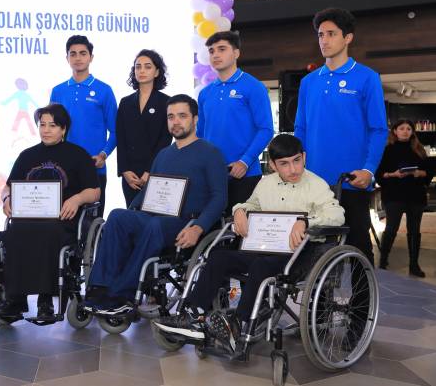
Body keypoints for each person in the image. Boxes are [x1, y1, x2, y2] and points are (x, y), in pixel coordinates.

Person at [154, 134, 345, 350]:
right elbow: (251, 204)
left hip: (299, 253)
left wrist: (306, 221)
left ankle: (237, 323)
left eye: (297, 161)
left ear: (304, 157)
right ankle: (193, 316)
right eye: (284, 164)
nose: (293, 169)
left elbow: (337, 215)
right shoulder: (266, 184)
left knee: (262, 265)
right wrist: (240, 211)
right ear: (272, 165)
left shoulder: (316, 185)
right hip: (265, 247)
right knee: (218, 257)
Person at [85, 94, 228, 313]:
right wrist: (132, 212)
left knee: (154, 225)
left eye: (182, 116)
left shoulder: (211, 153)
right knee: (117, 216)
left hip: (185, 222)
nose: (176, 122)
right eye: (171, 117)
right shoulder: (164, 155)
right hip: (157, 217)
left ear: (195, 119)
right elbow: (150, 190)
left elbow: (220, 198)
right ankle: (99, 289)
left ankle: (123, 294)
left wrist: (198, 228)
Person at [295, 7, 388, 265]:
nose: (324, 40)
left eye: (331, 34)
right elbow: (301, 129)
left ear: (348, 38)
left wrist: (368, 170)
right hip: (313, 182)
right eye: (320, 35)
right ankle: (319, 296)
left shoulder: (367, 78)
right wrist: (297, 165)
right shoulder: (308, 82)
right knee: (314, 252)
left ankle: (362, 295)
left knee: (358, 249)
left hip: (352, 181)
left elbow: (379, 129)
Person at [0, 104, 100, 320]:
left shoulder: (78, 155)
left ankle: (45, 299)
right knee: (13, 234)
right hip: (29, 218)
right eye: (42, 125)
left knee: (49, 232)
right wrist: (6, 198)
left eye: (52, 125)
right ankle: (15, 299)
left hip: (62, 219)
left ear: (64, 129)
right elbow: (8, 187)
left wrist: (77, 199)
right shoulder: (27, 155)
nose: (46, 130)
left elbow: (95, 191)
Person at [197, 31, 274, 213]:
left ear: (236, 53)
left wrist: (245, 161)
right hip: (212, 175)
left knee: (241, 228)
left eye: (222, 49)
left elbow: (265, 129)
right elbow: (200, 134)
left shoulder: (253, 86)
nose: (215, 55)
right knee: (212, 227)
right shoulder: (205, 93)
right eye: (211, 51)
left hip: (245, 174)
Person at [50, 35, 116, 213]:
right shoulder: (58, 91)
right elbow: (52, 129)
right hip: (63, 168)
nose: (78, 58)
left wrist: (103, 155)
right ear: (67, 58)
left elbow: (115, 131)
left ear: (91, 57)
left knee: (93, 221)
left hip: (94, 167)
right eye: (73, 54)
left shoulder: (104, 90)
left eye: (83, 53)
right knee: (62, 218)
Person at [376, 119, 433, 277]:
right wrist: (393, 174)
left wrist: (419, 173)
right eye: (402, 128)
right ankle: (383, 261)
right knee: (391, 228)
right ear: (395, 131)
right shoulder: (387, 150)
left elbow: (429, 171)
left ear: (412, 132)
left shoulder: (419, 149)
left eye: (408, 128)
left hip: (416, 195)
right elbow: (379, 174)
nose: (405, 131)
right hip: (394, 195)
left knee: (414, 231)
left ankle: (414, 265)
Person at [116, 49, 173, 207]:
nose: (141, 71)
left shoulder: (166, 102)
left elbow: (165, 140)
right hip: (130, 175)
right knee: (131, 214)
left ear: (157, 72)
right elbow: (121, 138)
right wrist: (124, 171)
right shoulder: (125, 102)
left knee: (152, 215)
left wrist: (150, 171)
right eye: (138, 67)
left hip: (154, 172)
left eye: (147, 67)